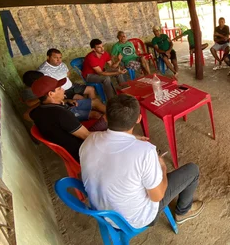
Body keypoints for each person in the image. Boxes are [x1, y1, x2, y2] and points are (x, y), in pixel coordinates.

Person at [80, 94, 204, 229]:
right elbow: (157, 196)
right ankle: (183, 212)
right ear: (139, 119)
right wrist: (162, 168)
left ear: (105, 117)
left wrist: (132, 139)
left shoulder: (89, 140)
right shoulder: (145, 152)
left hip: (102, 214)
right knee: (192, 170)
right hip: (135, 220)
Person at [29, 76, 107, 162]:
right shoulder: (61, 114)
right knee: (111, 123)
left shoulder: (36, 112)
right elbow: (86, 136)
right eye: (59, 88)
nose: (63, 89)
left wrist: (65, 101)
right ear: (51, 94)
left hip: (69, 147)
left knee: (109, 121)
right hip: (83, 151)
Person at [22, 70, 106, 123]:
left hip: (65, 103)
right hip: (64, 110)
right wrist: (43, 96)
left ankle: (115, 115)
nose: (62, 89)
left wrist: (67, 100)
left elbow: (57, 99)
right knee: (96, 114)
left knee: (95, 101)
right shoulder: (31, 93)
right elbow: (28, 108)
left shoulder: (49, 92)